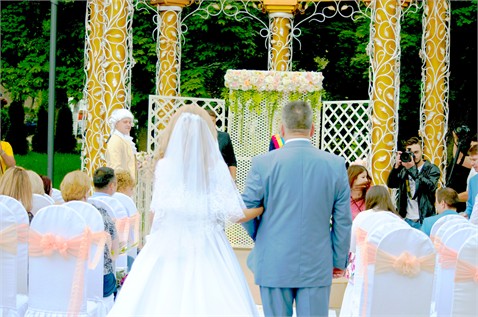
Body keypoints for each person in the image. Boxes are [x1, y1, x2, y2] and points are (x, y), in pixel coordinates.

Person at [108, 104, 263, 316]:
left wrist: (152, 240)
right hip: (209, 246)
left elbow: (156, 212)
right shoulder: (216, 168)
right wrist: (262, 208)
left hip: (168, 243)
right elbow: (234, 214)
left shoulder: (165, 166)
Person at [242, 100, 352, 317]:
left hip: (273, 259)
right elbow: (342, 221)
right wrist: (338, 260)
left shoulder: (263, 163)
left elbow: (246, 210)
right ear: (312, 129)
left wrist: (262, 236)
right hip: (317, 260)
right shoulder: (335, 164)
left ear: (282, 130)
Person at [387, 136, 441, 229]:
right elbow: (392, 184)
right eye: (411, 153)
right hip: (406, 219)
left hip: (424, 219)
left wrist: (412, 169)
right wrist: (396, 166)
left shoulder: (431, 168)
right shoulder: (404, 169)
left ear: (422, 151)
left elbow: (430, 187)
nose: (414, 156)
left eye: (416, 152)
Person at [90, 167, 120, 306]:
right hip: (104, 273)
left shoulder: (87, 205)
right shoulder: (118, 205)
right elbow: (116, 249)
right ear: (112, 185)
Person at [105, 108, 137, 182]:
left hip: (127, 184)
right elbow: (116, 167)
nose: (128, 125)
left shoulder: (124, 139)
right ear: (116, 124)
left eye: (130, 122)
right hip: (120, 184)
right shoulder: (116, 140)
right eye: (125, 122)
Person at [206, 108, 237, 180]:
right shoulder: (198, 137)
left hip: (221, 177)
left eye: (212, 121)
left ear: (215, 122)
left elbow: (231, 161)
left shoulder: (224, 137)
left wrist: (233, 180)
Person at [465, 144, 478, 220]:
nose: (471, 164)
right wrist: (466, 214)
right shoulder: (472, 181)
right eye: (471, 160)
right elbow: (470, 206)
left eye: (474, 160)